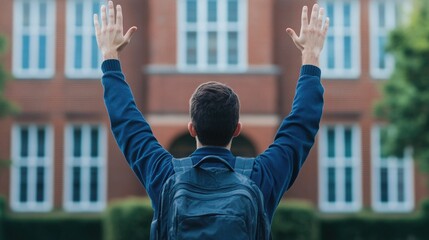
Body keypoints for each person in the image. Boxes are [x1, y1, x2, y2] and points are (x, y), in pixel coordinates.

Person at [94, 0, 328, 237]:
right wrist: (311, 56)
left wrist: (109, 57)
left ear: (191, 128)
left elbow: (127, 123)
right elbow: (301, 124)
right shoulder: (260, 177)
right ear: (237, 129)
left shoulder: (165, 176)